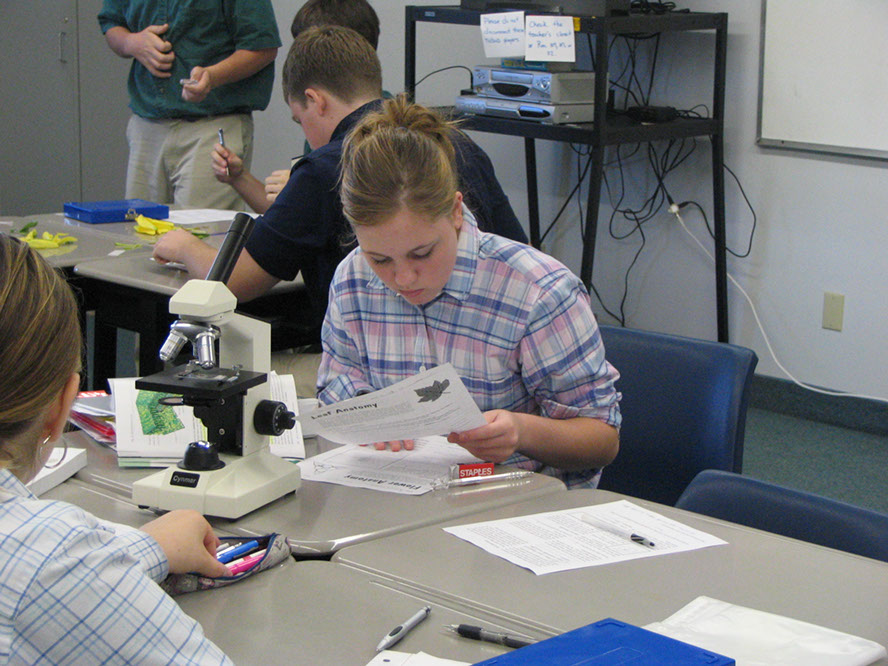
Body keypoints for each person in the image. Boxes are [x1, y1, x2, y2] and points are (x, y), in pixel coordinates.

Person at [317, 98, 621, 489]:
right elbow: (336, 390)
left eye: (422, 253)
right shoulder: (353, 278)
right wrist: (366, 416)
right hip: (395, 494)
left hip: (513, 501)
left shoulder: (538, 292)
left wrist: (521, 431)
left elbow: (602, 440)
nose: (403, 278)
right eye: (380, 259)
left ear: (456, 211)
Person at [153, 26, 527, 344]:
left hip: (385, 351)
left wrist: (184, 245)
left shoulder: (325, 169)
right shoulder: (457, 143)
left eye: (299, 119)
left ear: (314, 100)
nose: (404, 276)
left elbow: (233, 282)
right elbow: (517, 250)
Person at [0, 235, 233, 663]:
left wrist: (141, 550)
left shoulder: (51, 559)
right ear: (62, 405)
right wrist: (92, 563)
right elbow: (48, 573)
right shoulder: (50, 555)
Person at [98, 0, 281, 209]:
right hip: (147, 125)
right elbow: (111, 22)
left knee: (202, 227)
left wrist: (212, 77)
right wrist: (131, 43)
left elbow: (262, 47)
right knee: (138, 226)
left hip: (211, 126)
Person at [216, 0, 386, 214]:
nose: (298, 61)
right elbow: (286, 214)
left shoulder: (380, 134)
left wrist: (306, 191)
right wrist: (240, 177)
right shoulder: (323, 126)